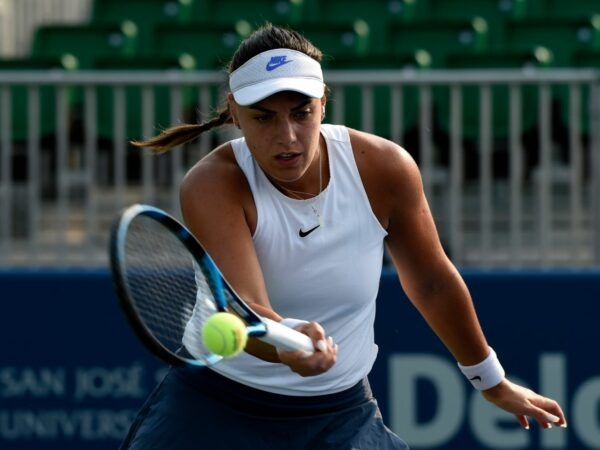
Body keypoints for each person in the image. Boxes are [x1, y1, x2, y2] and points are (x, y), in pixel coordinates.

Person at [121, 23, 567, 449]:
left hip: (339, 414)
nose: (288, 137)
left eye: (302, 113)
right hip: (213, 407)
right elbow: (244, 309)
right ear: (234, 113)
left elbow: (432, 281)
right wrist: (289, 340)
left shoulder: (384, 168)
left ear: (324, 104)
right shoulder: (212, 184)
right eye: (264, 118)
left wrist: (490, 379)